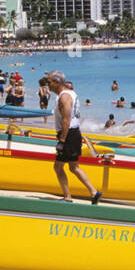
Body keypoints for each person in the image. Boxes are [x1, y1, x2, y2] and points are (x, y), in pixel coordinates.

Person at [47, 70, 101, 203]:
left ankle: (67, 197)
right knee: (74, 167)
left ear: (57, 82)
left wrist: (62, 141)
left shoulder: (64, 97)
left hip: (68, 134)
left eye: (49, 81)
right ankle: (93, 192)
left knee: (58, 167)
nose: (47, 84)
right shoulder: (70, 93)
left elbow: (66, 120)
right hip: (74, 133)